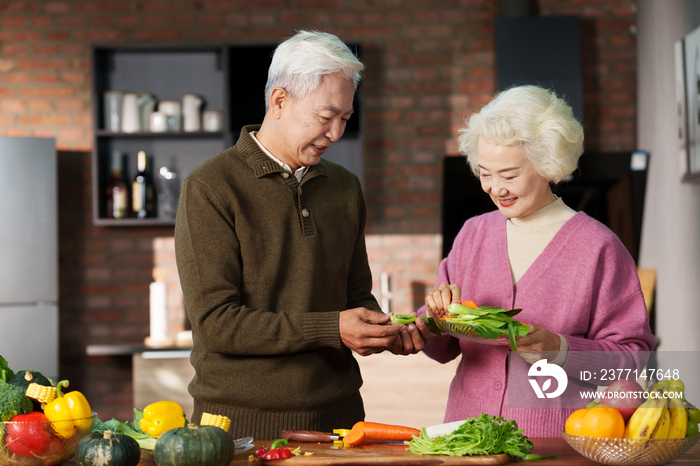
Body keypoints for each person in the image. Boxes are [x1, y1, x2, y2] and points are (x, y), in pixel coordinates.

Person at [174, 30, 429, 440]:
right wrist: (334, 328)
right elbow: (217, 325)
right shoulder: (210, 187)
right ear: (279, 101)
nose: (336, 133)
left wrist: (382, 332)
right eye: (326, 117)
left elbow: (355, 295)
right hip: (240, 426)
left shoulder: (345, 187)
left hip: (343, 419)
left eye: (345, 119)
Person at [419, 85, 655, 437]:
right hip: (466, 440)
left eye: (510, 175)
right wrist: (434, 319)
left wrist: (560, 349)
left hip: (557, 444)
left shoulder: (598, 247)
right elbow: (440, 350)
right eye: (485, 173)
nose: (496, 188)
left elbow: (633, 359)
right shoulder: (473, 234)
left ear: (548, 164)